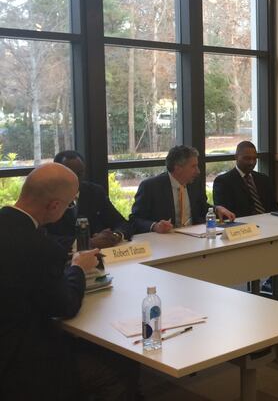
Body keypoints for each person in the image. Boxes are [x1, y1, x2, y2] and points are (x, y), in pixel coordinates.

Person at [0, 163, 133, 399]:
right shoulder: (40, 248)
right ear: (54, 206)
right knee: (119, 367)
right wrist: (78, 268)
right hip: (22, 363)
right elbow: (65, 306)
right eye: (70, 203)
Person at [213, 141, 278, 300]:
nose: (251, 162)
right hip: (244, 230)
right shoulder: (223, 181)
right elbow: (225, 214)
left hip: (269, 225)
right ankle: (273, 281)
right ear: (236, 157)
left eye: (254, 158)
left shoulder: (263, 179)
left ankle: (277, 279)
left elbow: (274, 206)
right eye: (246, 158)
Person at [130, 145, 235, 234]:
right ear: (178, 168)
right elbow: (135, 219)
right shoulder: (150, 187)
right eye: (193, 166)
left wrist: (217, 209)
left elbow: (202, 207)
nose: (198, 171)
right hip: (165, 242)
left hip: (194, 237)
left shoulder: (194, 184)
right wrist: (155, 226)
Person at [46, 150, 131, 251]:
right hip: (61, 259)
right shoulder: (46, 196)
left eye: (80, 173)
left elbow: (122, 223)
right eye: (71, 174)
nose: (76, 178)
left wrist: (115, 236)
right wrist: (86, 243)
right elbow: (42, 238)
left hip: (99, 256)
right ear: (57, 174)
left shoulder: (95, 192)